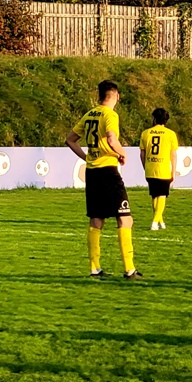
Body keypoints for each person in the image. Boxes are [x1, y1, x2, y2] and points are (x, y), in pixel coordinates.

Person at [65, 80, 141, 279]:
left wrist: (86, 157)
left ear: (99, 96)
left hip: (92, 172)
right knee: (125, 218)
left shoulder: (90, 114)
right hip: (108, 171)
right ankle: (129, 269)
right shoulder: (110, 115)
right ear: (117, 96)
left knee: (96, 219)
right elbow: (111, 139)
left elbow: (70, 139)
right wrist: (122, 153)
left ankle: (94, 268)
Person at [139, 108, 178, 231]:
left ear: (154, 119)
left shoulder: (145, 133)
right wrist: (173, 171)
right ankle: (155, 221)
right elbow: (173, 155)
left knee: (154, 195)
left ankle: (160, 221)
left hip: (150, 168)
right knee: (162, 195)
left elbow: (142, 154)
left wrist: (145, 167)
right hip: (163, 169)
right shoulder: (170, 134)